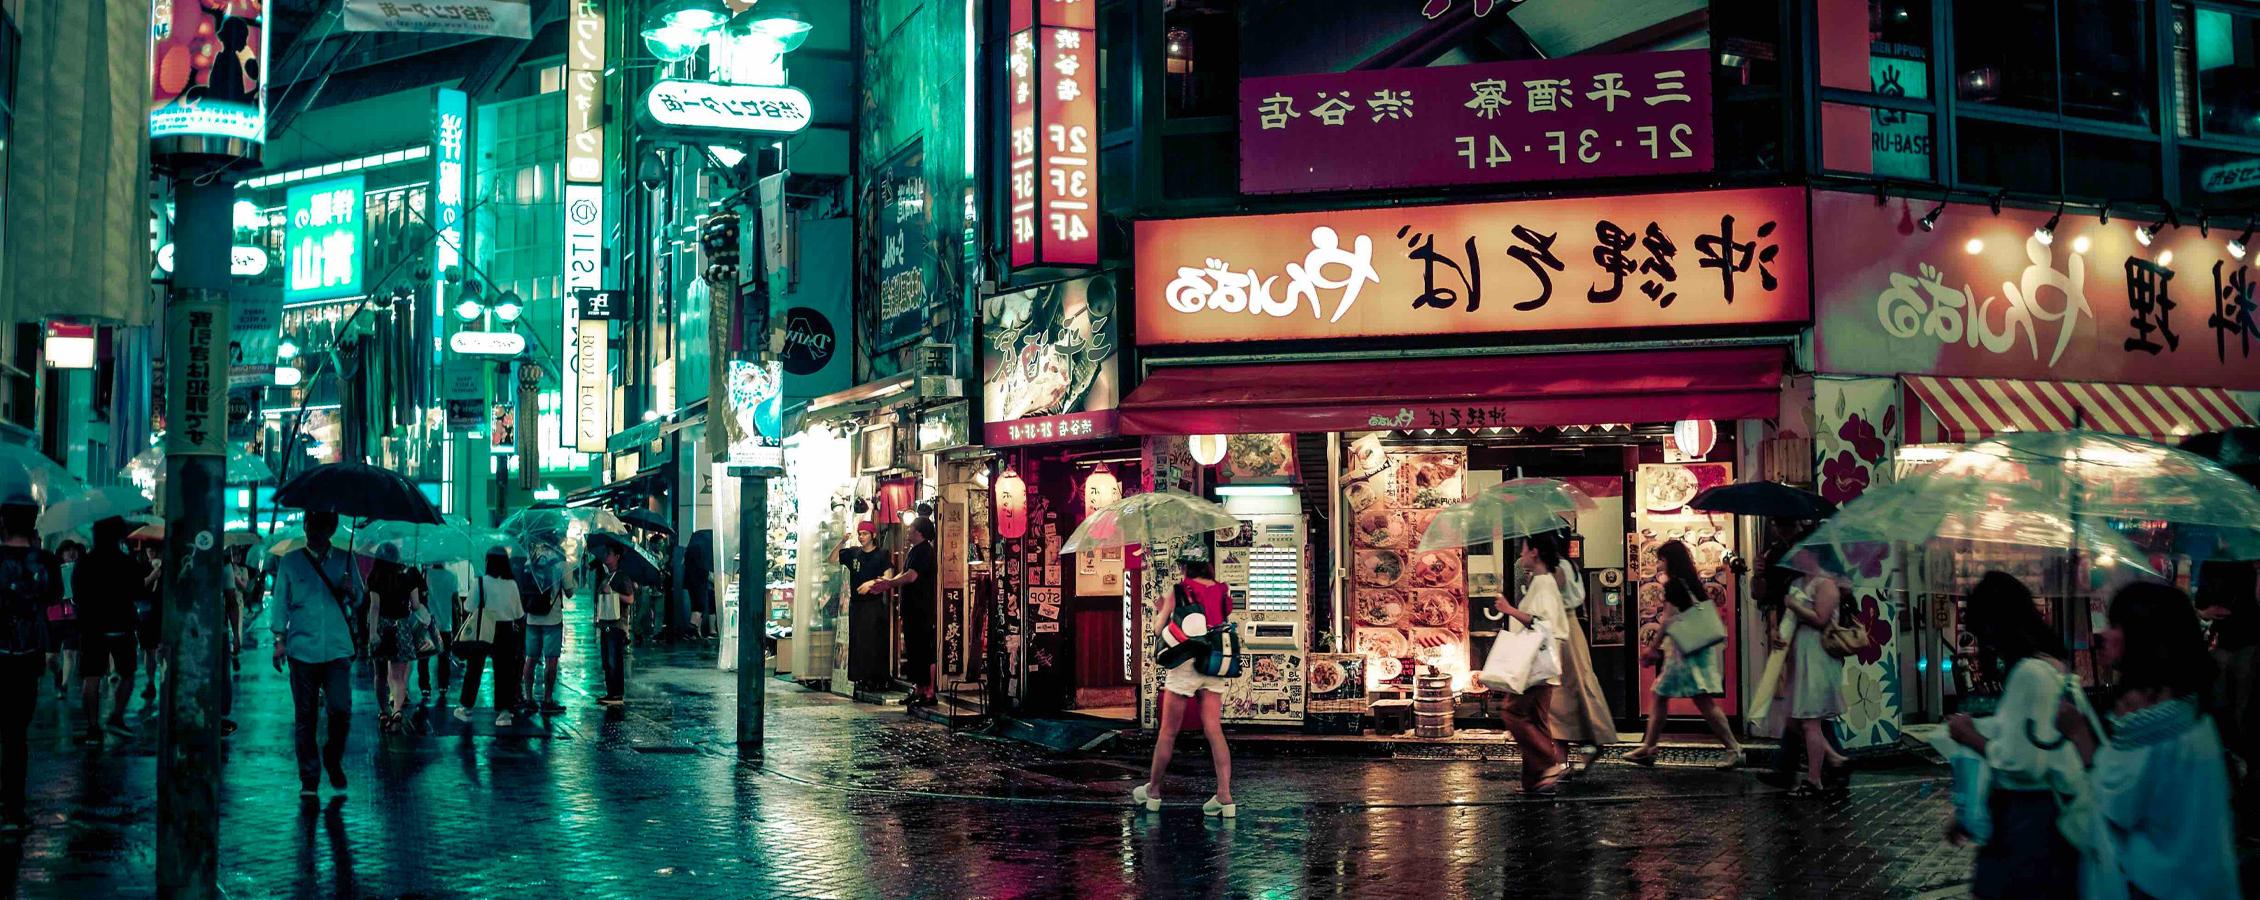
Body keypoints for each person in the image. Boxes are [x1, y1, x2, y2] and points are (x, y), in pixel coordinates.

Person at [2059, 581, 2241, 900]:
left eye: (2116, 625)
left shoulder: (2150, 724)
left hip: (2150, 887)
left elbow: (2109, 810)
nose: (2103, 634)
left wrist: (2078, 734)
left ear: (2144, 637)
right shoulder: (2192, 710)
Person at [1941, 572, 2078, 897]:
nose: (1987, 644)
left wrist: (1969, 734)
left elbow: (2021, 762)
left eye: (1985, 632)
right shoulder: (2051, 667)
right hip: (2032, 818)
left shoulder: (2029, 674)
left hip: (2026, 821)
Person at [1131, 559, 1237, 818]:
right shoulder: (1222, 589)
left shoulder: (1179, 590)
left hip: (1185, 663)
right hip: (1213, 661)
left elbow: (1159, 629)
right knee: (1213, 728)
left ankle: (1153, 793)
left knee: (1168, 732)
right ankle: (1224, 796)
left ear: (1185, 566)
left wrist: (1162, 610)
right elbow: (1219, 620)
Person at [1626, 540, 1745, 768]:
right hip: (1692, 650)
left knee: (1701, 700)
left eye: (1661, 559)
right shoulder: (1691, 582)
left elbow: (1668, 620)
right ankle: (1648, 746)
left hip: (1687, 652)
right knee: (1662, 694)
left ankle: (1734, 748)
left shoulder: (1674, 585)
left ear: (1670, 560)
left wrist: (1652, 648)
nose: (1659, 563)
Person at [269, 511, 363, 798]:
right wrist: (279, 640)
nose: (313, 530)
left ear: (331, 528)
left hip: (336, 647)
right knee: (305, 715)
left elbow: (359, 597)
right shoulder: (292, 561)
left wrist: (351, 590)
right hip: (302, 648)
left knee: (341, 709)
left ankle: (332, 757)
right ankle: (309, 776)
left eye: (320, 525)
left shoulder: (346, 560)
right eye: (310, 524)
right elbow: (280, 602)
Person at [1523, 531, 1615, 775]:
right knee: (1568, 692)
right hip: (1569, 629)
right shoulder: (1567, 564)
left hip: (1560, 632)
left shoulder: (1556, 569)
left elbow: (1547, 606)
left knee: (1561, 693)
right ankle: (1570, 754)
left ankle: (1576, 751)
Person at [1493, 543, 1568, 795]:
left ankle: (1550, 763)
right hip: (1542, 666)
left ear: (1535, 552)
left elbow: (1542, 623)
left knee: (1512, 713)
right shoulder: (1541, 582)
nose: (1521, 556)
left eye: (1524, 550)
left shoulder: (1544, 584)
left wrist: (1508, 609)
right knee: (1536, 720)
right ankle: (1534, 781)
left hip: (1535, 666)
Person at [0, 479, 54, 830]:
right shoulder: (45, 562)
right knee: (16, 735)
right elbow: (50, 601)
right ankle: (12, 810)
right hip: (29, 656)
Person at [1781, 553, 1851, 799]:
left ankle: (1814, 780)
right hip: (1801, 656)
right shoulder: (1797, 583)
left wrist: (1794, 606)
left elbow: (1822, 620)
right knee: (1796, 719)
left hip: (1819, 657)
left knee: (1810, 721)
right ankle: (1835, 758)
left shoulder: (1826, 583)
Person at [74, 518, 144, 743]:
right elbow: (138, 592)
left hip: (92, 628)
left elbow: (77, 595)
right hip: (122, 626)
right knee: (127, 673)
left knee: (91, 678)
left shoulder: (84, 562)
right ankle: (116, 716)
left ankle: (93, 727)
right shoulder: (127, 562)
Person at [2195, 560, 2259, 803]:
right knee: (2230, 707)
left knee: (2237, 708)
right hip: (2231, 644)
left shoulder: (2221, 564)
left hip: (2240, 644)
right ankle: (2233, 761)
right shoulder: (2216, 564)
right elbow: (2202, 602)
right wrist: (2204, 611)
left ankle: (2236, 761)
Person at [871, 517, 939, 707]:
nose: (907, 532)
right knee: (914, 650)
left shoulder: (925, 551)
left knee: (924, 650)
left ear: (920, 533)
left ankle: (929, 692)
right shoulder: (914, 551)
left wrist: (889, 584)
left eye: (910, 529)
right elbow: (905, 573)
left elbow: (911, 576)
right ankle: (918, 689)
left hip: (922, 609)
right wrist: (887, 583)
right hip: (912, 609)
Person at [454, 549, 524, 726]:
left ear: (488, 563)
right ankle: (504, 712)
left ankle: (466, 707)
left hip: (483, 628)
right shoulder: (512, 584)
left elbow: (469, 607)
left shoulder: (480, 582)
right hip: (506, 629)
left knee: (474, 669)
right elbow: (518, 613)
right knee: (504, 671)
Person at [364, 549, 426, 734]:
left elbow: (374, 607)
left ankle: (383, 712)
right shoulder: (410, 577)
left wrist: (372, 633)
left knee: (380, 675)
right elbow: (415, 606)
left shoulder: (374, 577)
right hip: (402, 628)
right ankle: (397, 711)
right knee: (398, 677)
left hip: (382, 627)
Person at [839, 523, 891, 694]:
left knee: (874, 643)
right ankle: (860, 679)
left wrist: (871, 583)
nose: (861, 537)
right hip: (857, 605)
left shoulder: (882, 554)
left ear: (873, 535)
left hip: (874, 604)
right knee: (858, 643)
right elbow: (831, 559)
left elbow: (888, 577)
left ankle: (876, 679)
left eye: (865, 534)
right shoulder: (854, 553)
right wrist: (841, 542)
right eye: (860, 534)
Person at [518, 552, 565, 714]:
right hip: (553, 619)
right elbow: (571, 592)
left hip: (532, 618)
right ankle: (547, 700)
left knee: (530, 659)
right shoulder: (561, 563)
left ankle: (529, 698)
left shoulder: (530, 560)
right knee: (551, 660)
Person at [591, 541, 633, 707]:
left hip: (617, 624)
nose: (606, 556)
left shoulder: (622, 576)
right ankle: (611, 692)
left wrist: (613, 592)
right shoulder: (606, 575)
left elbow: (630, 599)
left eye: (609, 553)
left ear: (617, 557)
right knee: (607, 660)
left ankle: (616, 694)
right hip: (606, 622)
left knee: (614, 659)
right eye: (605, 553)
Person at [418, 561, 460, 705]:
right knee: (444, 657)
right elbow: (455, 601)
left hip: (427, 621)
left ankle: (425, 686)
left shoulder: (425, 575)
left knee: (424, 657)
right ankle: (443, 685)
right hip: (445, 622)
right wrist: (457, 624)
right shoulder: (452, 576)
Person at [46, 540, 81, 698]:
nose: (71, 553)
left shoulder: (81, 570)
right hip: (54, 615)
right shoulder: (54, 570)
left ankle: (64, 685)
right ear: (61, 553)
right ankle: (59, 673)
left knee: (69, 653)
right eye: (68, 550)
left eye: (74, 550)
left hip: (73, 616)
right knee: (50, 658)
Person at [135, 543, 162, 703]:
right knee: (149, 650)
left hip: (162, 611)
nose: (151, 552)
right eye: (148, 549)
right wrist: (152, 576)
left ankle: (163, 679)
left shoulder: (168, 566)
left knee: (161, 648)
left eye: (154, 549)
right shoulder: (142, 567)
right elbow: (137, 587)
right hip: (146, 612)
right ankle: (150, 682)